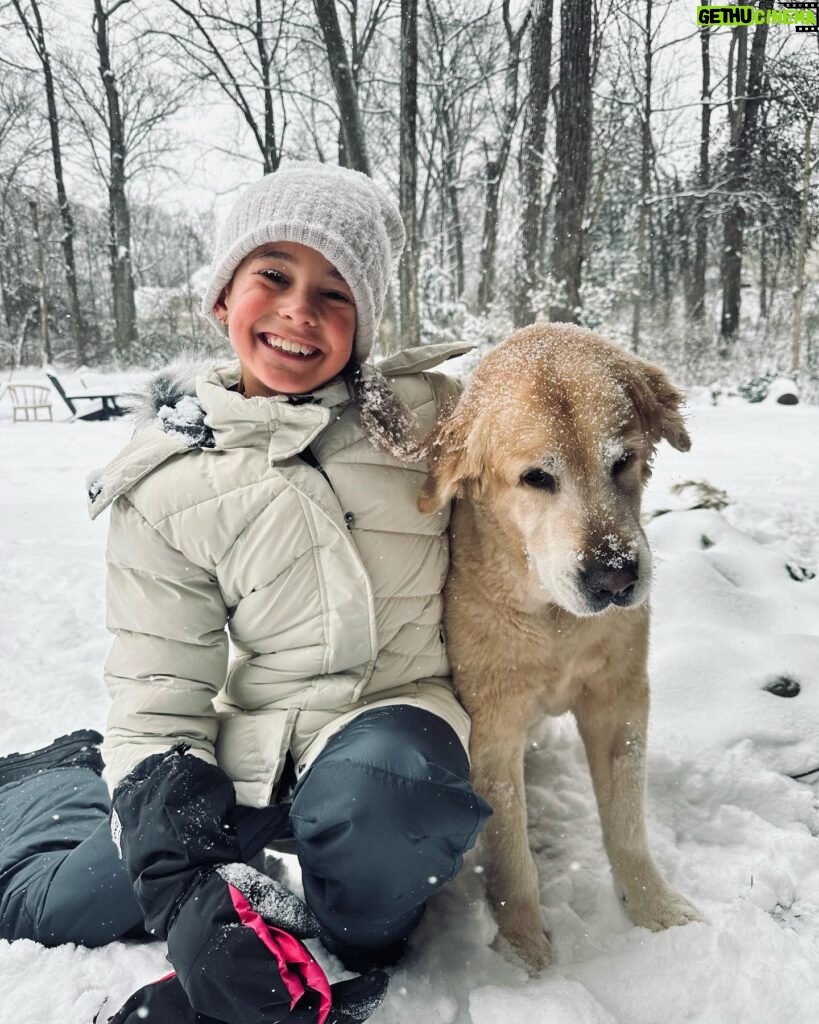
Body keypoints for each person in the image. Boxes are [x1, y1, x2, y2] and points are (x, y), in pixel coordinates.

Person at [0, 161, 491, 1024]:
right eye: (273, 275)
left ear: (365, 322)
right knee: (58, 909)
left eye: (335, 292)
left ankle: (344, 921)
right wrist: (190, 889)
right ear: (223, 298)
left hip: (392, 715)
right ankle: (60, 786)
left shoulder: (430, 422)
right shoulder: (164, 482)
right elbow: (160, 687)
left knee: (388, 808)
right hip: (250, 743)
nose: (301, 310)